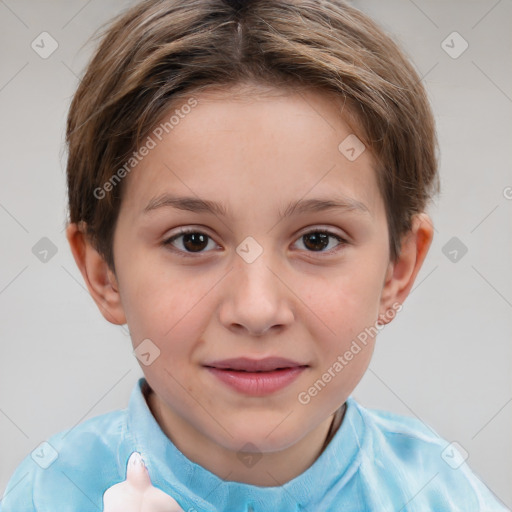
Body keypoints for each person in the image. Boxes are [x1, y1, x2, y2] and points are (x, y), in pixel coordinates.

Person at [1, 0, 507, 510]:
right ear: (103, 273)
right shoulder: (48, 494)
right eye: (193, 240)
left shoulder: (445, 496)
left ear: (397, 271)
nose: (257, 310)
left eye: (317, 240)